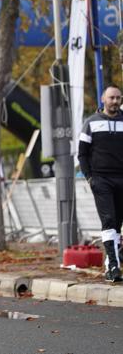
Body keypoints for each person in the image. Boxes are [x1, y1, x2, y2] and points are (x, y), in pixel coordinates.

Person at [78, 85, 123, 282]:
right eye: (111, 98)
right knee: (109, 221)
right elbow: (82, 154)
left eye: (118, 98)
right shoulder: (91, 123)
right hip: (101, 179)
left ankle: (112, 260)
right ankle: (113, 266)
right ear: (103, 99)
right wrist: (89, 177)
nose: (115, 101)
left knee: (118, 224)